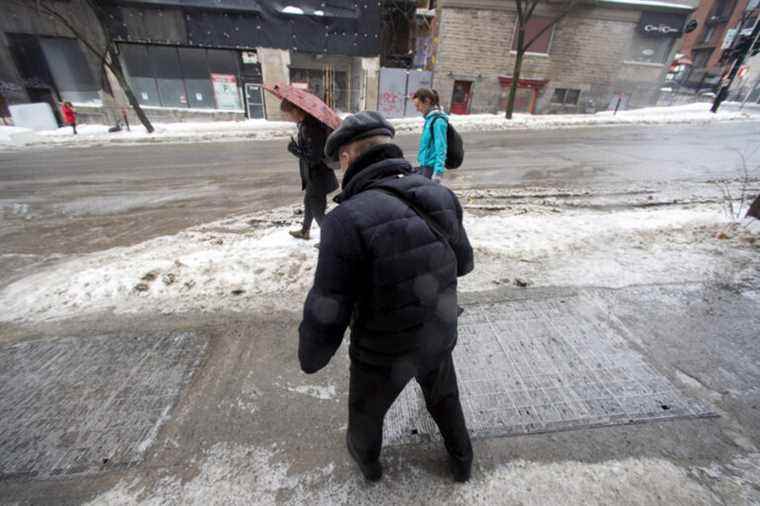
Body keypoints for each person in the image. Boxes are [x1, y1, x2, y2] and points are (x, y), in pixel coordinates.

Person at [298, 111, 475, 482]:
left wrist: (312, 355)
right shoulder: (441, 195)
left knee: (366, 412)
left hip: (382, 350)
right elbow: (463, 264)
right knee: (444, 399)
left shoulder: (346, 219)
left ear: (347, 157)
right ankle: (462, 462)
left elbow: (328, 305)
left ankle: (369, 465)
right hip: (437, 332)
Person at [281, 99, 338, 240]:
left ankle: (331, 240)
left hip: (318, 176)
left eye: (286, 114)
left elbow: (314, 157)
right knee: (308, 203)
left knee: (318, 212)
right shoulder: (304, 124)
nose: (286, 117)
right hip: (313, 176)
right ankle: (305, 231)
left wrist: (294, 149)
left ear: (295, 110)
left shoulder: (312, 127)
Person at [412, 88, 448, 183]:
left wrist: (438, 172)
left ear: (427, 101)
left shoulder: (438, 121)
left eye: (418, 105)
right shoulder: (429, 119)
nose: (417, 109)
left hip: (431, 168)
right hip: (425, 165)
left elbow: (441, 148)